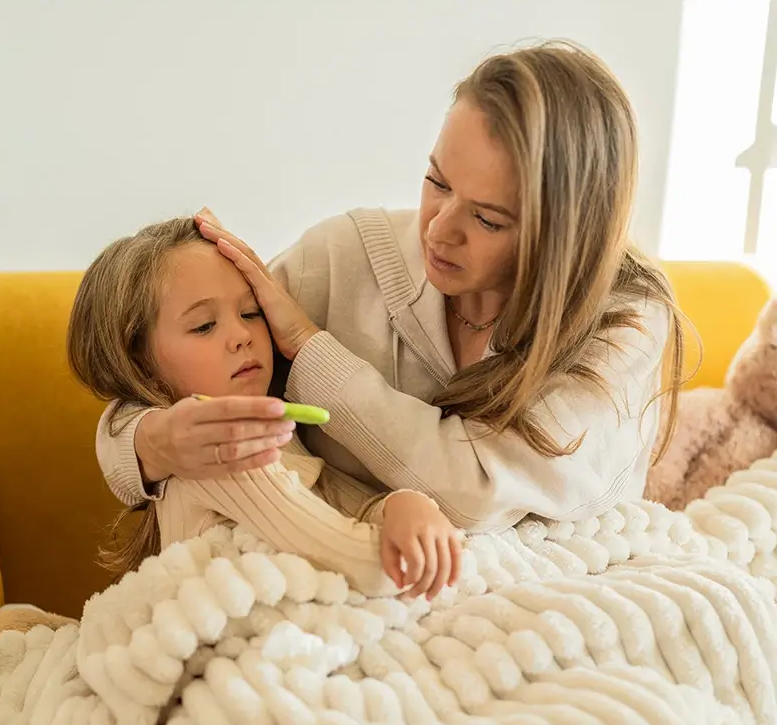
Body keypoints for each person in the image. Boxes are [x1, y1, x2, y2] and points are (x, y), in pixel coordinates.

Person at [98, 41, 684, 535]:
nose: (439, 228)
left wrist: (310, 346)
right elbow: (149, 384)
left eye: (487, 219)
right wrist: (154, 444)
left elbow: (474, 496)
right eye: (436, 181)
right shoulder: (343, 257)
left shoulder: (622, 322)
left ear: (566, 236)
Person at [65, 217, 462, 600]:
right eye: (204, 325)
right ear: (138, 362)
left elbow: (345, 505)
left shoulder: (276, 431)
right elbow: (356, 561)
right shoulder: (220, 453)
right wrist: (416, 544)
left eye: (250, 313)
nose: (241, 336)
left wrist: (403, 505)